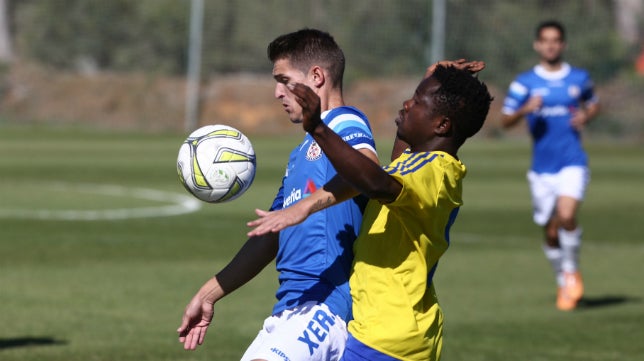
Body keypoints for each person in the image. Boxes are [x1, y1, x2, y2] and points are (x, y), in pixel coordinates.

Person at [248, 61, 492, 361]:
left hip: (390, 338)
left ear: (441, 125)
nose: (406, 103)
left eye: (417, 102)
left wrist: (319, 129)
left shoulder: (435, 173)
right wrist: (428, 78)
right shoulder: (419, 165)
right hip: (384, 334)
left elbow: (376, 182)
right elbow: (398, 161)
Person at [177, 28, 379, 361]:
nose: (276, 93)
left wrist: (304, 207)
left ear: (316, 77)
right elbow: (269, 235)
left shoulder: (345, 122)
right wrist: (211, 292)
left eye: (284, 80)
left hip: (326, 306)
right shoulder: (301, 153)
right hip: (289, 310)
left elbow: (368, 171)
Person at [500, 20, 600, 311]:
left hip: (573, 161)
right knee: (551, 229)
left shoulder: (579, 78)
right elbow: (505, 121)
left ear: (563, 44)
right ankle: (562, 281)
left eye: (556, 40)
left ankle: (571, 270)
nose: (551, 45)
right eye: (545, 40)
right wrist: (524, 109)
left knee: (567, 215)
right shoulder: (524, 83)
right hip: (542, 169)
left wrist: (587, 116)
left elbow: (593, 103)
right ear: (537, 45)